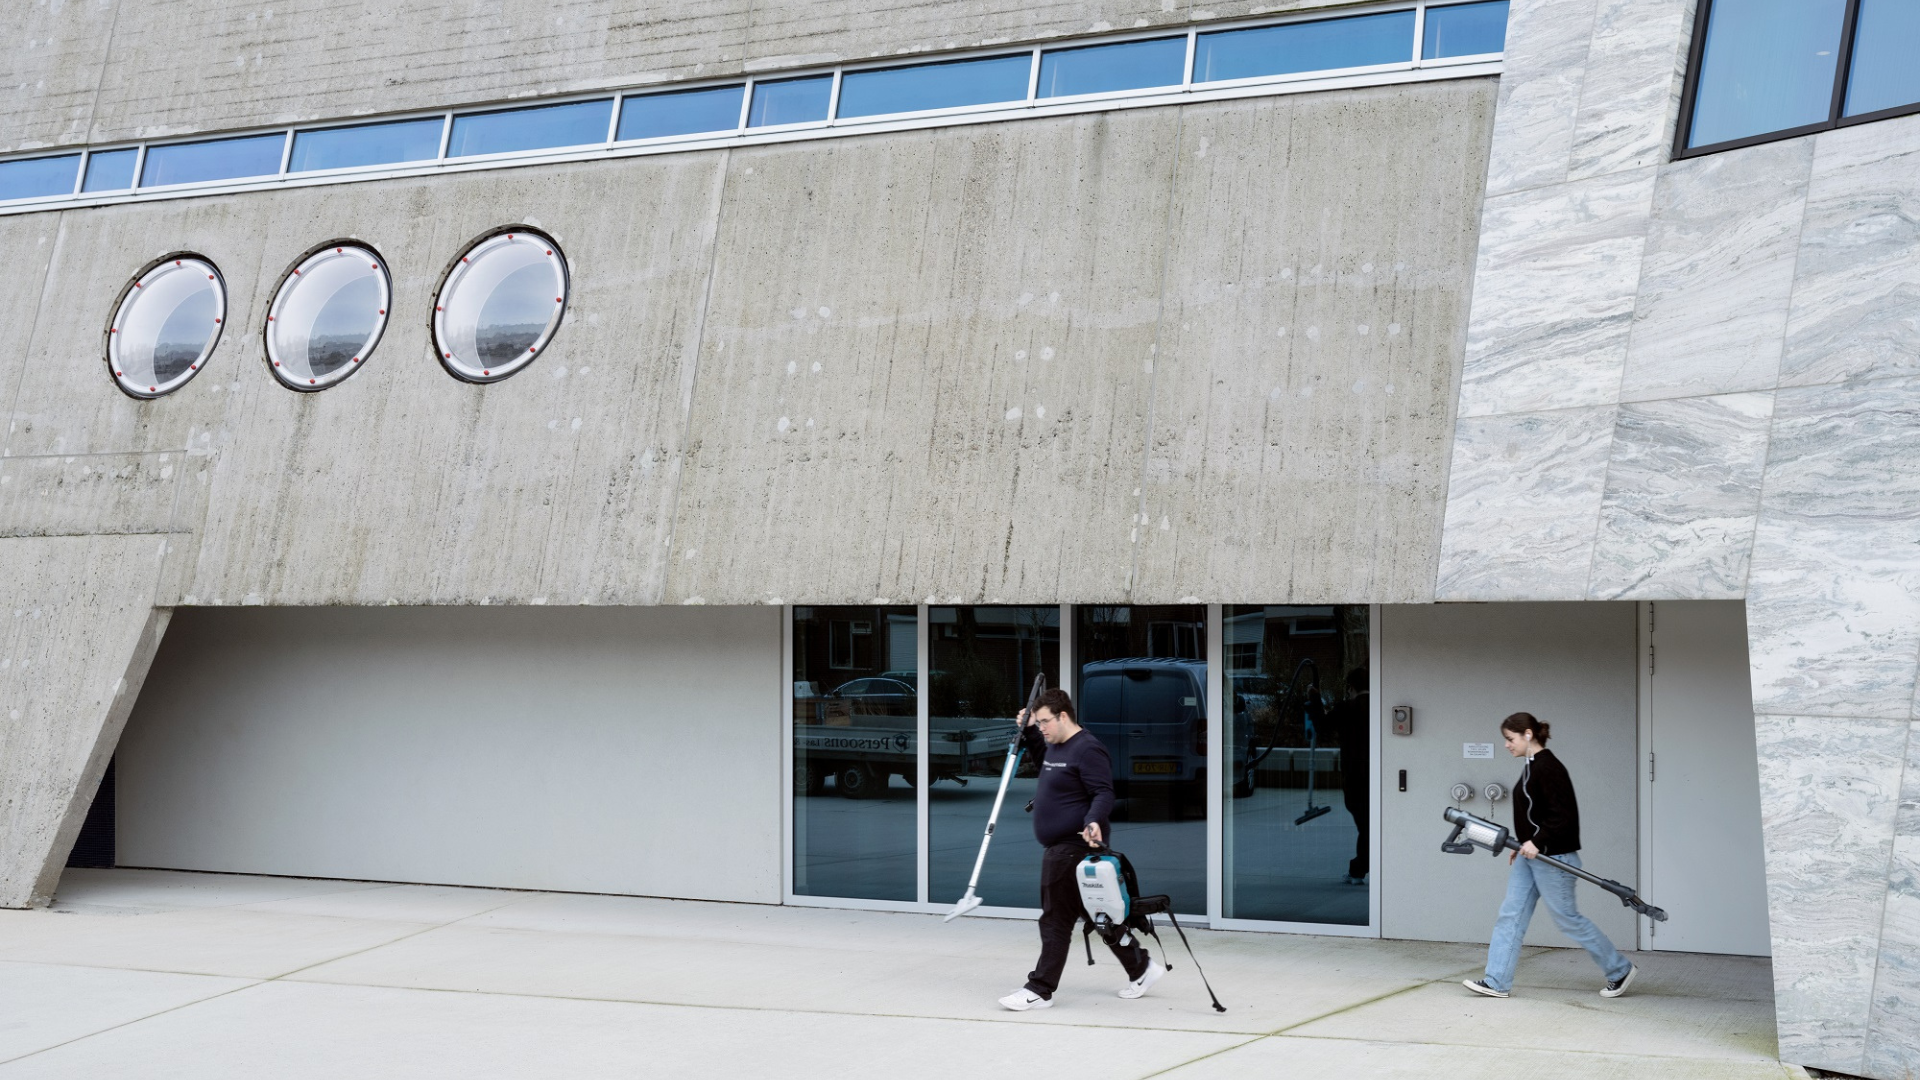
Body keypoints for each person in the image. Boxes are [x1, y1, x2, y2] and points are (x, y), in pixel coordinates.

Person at [998, 687, 1164, 1011]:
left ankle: (1040, 988)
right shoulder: (1056, 746)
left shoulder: (1087, 749)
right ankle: (1142, 968)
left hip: (1074, 845)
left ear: (1063, 716)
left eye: (1045, 722)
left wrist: (1093, 821)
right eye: (1039, 723)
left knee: (1055, 919)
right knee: (1100, 914)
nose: (1042, 727)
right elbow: (1045, 765)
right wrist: (1030, 731)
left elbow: (1103, 793)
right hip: (1061, 844)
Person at [1464, 712, 1636, 1000]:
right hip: (1530, 856)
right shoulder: (1531, 766)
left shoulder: (1549, 767)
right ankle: (1496, 982)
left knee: (1567, 919)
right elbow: (1534, 815)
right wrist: (1523, 847)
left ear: (1528, 734)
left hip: (1554, 858)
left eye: (1510, 739)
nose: (1506, 745)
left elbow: (1563, 816)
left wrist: (1538, 842)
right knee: (1511, 915)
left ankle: (1619, 970)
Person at [1329, 667, 1370, 885]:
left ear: (1351, 687)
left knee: (1364, 825)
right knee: (1368, 825)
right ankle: (1359, 867)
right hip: (1376, 777)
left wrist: (1314, 701)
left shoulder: (1346, 708)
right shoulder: (1378, 707)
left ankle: (1359, 868)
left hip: (1354, 777)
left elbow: (1321, 727)